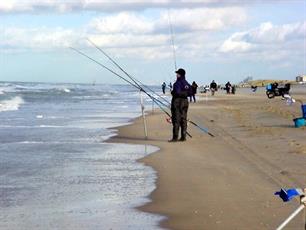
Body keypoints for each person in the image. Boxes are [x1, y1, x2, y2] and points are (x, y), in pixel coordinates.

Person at [169, 68, 191, 142]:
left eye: (177, 74)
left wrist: (173, 93)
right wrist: (185, 93)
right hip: (185, 102)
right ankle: (183, 137)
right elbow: (191, 92)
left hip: (178, 102)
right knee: (183, 119)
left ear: (180, 75)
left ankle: (175, 138)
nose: (176, 75)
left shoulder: (177, 83)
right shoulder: (186, 83)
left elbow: (177, 92)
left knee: (176, 119)